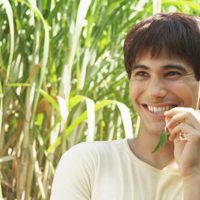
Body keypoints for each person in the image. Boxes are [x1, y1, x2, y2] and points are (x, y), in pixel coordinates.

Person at [51, 13, 200, 200]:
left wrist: (194, 176)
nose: (154, 91)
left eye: (171, 73)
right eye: (142, 74)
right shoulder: (88, 163)